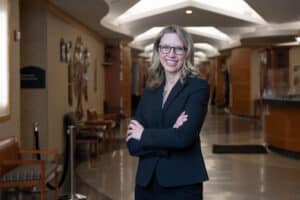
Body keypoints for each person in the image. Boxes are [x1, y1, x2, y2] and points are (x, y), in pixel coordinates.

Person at [127, 25, 210, 200]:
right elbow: (132, 144)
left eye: (178, 48)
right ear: (158, 51)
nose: (171, 54)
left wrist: (145, 135)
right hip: (146, 184)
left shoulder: (197, 87)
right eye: (165, 47)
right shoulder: (150, 91)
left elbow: (185, 137)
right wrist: (170, 134)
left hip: (182, 184)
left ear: (187, 52)